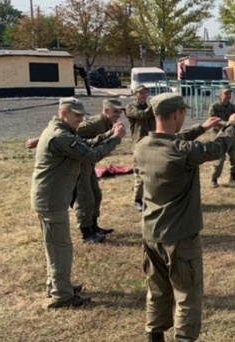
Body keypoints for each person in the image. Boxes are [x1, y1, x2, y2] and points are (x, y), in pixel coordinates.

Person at [134, 93, 235, 342]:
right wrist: (233, 124)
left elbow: (174, 141)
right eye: (183, 113)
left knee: (157, 290)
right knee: (187, 294)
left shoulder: (141, 147)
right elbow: (216, 148)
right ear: (176, 114)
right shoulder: (182, 152)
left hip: (151, 235)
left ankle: (154, 335)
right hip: (179, 237)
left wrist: (201, 128)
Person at [31, 97, 124, 308]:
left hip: (53, 197)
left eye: (82, 115)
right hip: (51, 199)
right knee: (61, 248)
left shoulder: (63, 132)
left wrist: (109, 134)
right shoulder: (60, 136)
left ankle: (57, 285)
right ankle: (62, 296)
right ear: (64, 113)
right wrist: (116, 139)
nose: (81, 119)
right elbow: (91, 154)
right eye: (76, 115)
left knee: (55, 247)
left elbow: (85, 145)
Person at [74, 98, 125, 243]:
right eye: (115, 111)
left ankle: (94, 227)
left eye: (120, 112)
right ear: (105, 111)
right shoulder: (95, 123)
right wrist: (40, 140)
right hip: (79, 164)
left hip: (89, 162)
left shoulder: (108, 123)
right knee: (85, 198)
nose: (118, 115)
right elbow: (66, 133)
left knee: (96, 195)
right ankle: (86, 233)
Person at [125, 85, 156, 211]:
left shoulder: (149, 107)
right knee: (140, 175)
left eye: (145, 92)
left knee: (152, 172)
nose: (144, 95)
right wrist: (154, 106)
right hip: (139, 145)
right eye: (141, 93)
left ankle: (150, 197)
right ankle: (137, 200)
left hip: (151, 143)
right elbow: (141, 115)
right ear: (134, 94)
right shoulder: (131, 107)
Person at [208, 87, 235, 187]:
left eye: (229, 94)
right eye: (226, 94)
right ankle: (214, 179)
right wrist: (228, 124)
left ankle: (233, 177)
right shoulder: (214, 107)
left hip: (231, 136)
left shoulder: (233, 107)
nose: (228, 96)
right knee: (219, 159)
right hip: (218, 136)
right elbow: (213, 120)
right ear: (220, 95)